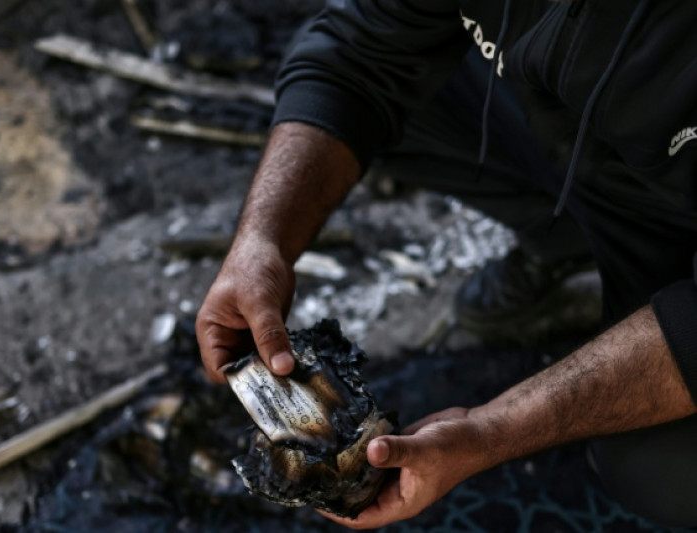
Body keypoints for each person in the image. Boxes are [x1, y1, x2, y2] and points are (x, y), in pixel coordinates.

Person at [195, 0, 697, 529]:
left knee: (666, 473)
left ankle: (632, 279)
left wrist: (491, 430)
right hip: (587, 140)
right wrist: (262, 243)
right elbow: (355, 54)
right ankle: (566, 240)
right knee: (398, 91)